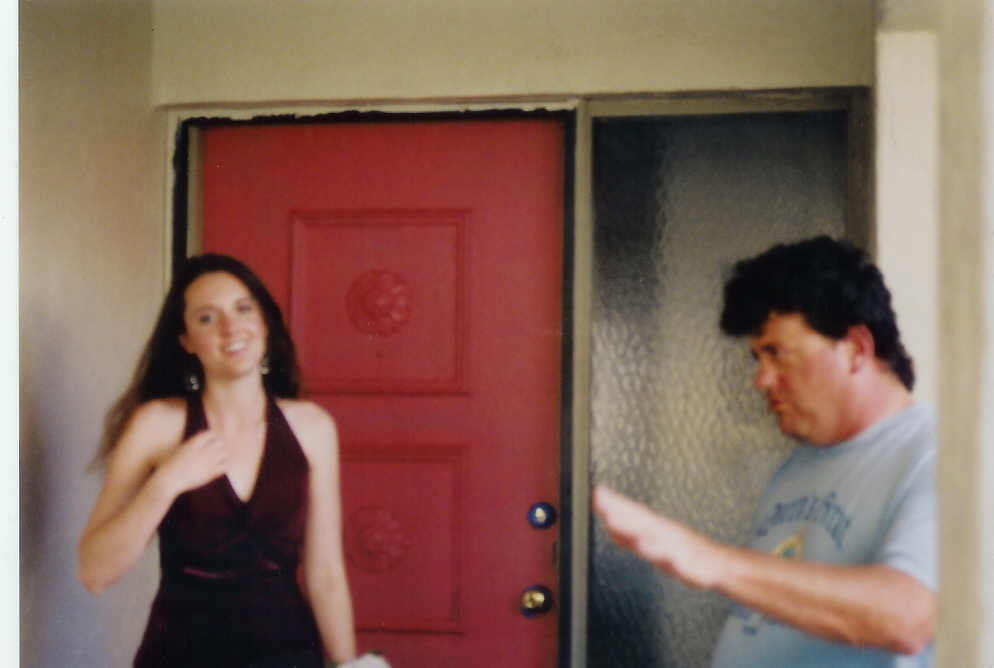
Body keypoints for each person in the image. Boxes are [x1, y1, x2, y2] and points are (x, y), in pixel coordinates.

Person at [593, 236, 937, 667]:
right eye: (758, 357)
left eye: (776, 353)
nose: (761, 380)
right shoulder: (798, 465)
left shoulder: (936, 455)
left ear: (856, 348)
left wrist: (711, 561)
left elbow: (909, 617)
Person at [78, 254, 387, 668]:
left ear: (265, 322)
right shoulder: (157, 425)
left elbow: (326, 574)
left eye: (243, 309)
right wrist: (167, 482)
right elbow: (94, 573)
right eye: (207, 318)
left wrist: (349, 664)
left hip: (288, 657)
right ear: (186, 340)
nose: (230, 327)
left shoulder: (313, 428)